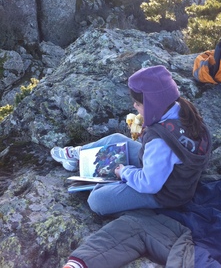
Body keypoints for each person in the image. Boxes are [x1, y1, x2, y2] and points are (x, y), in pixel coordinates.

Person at [51, 65, 212, 217]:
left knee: (97, 200)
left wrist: (124, 172)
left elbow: (150, 184)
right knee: (117, 139)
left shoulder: (159, 142)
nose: (134, 106)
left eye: (139, 103)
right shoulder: (183, 109)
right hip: (173, 176)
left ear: (154, 105)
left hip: (165, 192)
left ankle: (109, 179)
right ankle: (77, 155)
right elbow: (165, 153)